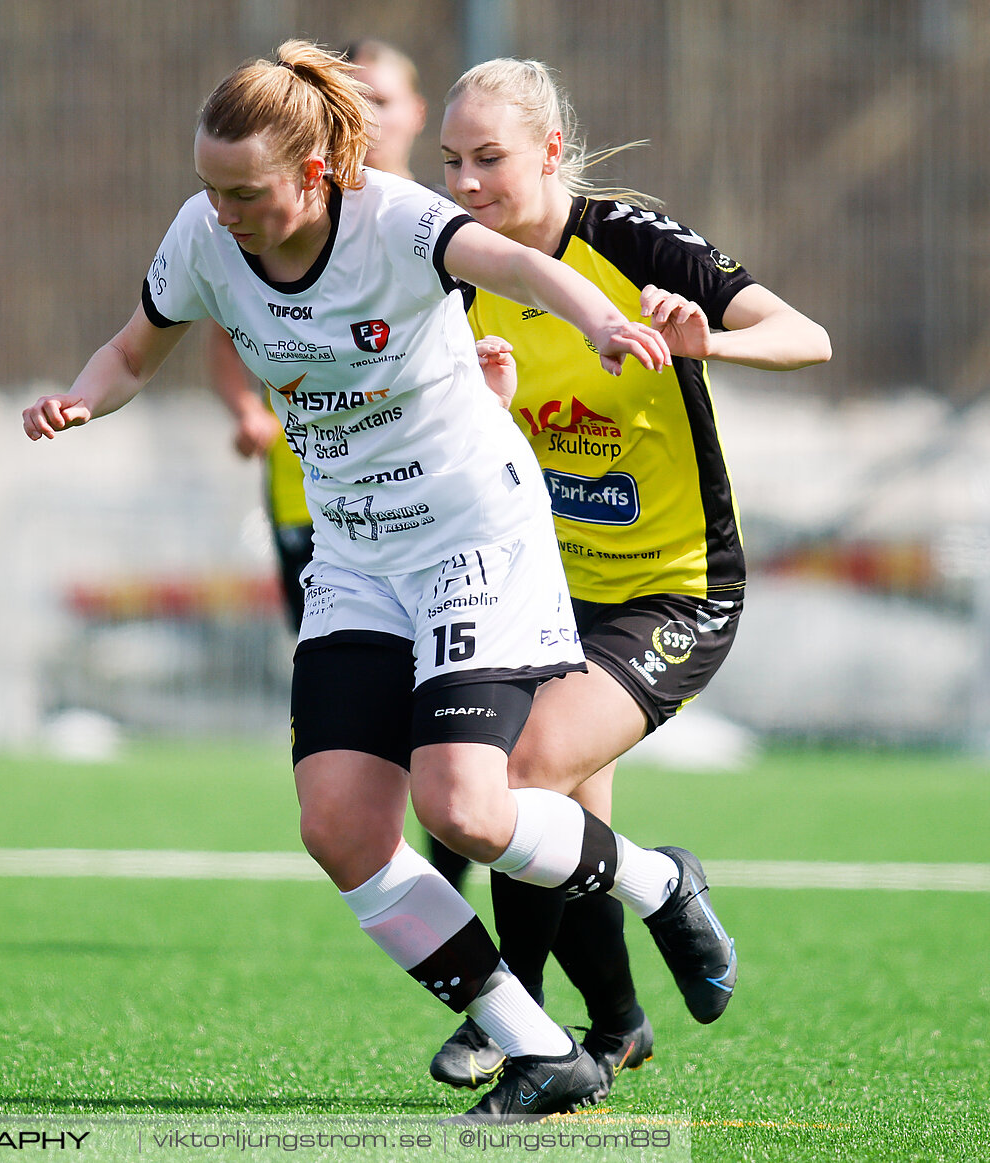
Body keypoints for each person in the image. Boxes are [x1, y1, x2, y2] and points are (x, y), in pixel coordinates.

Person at [23, 40, 735, 1121]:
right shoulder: (201, 234)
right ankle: (538, 1045)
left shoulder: (392, 218)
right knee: (342, 828)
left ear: (314, 176)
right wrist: (79, 397)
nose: (222, 211)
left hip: (470, 539)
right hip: (357, 552)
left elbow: (513, 264)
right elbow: (133, 351)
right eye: (210, 188)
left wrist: (597, 317)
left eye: (246, 192)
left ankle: (657, 882)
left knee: (467, 805)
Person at [427, 57, 829, 1099]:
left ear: (551, 151)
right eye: (451, 161)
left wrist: (710, 345)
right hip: (545, 591)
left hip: (674, 591)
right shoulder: (460, 270)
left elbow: (807, 336)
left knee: (517, 774)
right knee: (560, 830)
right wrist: (483, 403)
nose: (466, 182)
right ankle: (615, 1027)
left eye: (490, 158)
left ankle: (522, 1017)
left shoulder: (630, 244)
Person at [204, 39, 474, 895]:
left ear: (416, 114)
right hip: (318, 509)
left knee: (451, 732)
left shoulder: (426, 226)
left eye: (387, 98)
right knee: (354, 725)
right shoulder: (258, 225)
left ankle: (456, 853)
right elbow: (210, 319)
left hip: (440, 515)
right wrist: (248, 411)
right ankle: (403, 868)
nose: (376, 114)